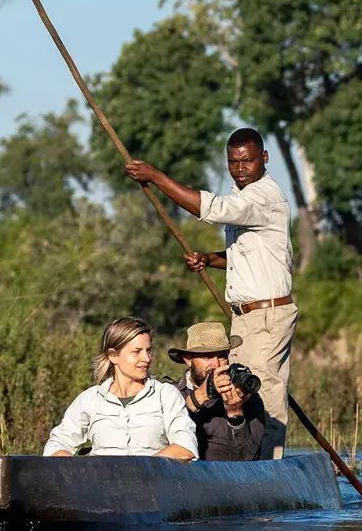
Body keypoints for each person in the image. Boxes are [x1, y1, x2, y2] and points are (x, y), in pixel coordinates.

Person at [123, 127, 296, 459]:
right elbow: (251, 256)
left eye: (247, 161)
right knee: (242, 390)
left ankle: (269, 470)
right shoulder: (247, 198)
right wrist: (209, 259)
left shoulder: (263, 197)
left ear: (264, 159)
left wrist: (156, 177)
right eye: (233, 162)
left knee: (262, 395)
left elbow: (213, 208)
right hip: (246, 315)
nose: (240, 168)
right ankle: (243, 460)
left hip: (266, 315)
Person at [43, 316, 198, 460]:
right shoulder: (91, 399)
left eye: (148, 351)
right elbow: (56, 445)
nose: (146, 358)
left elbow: (186, 448)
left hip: (153, 486)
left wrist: (140, 470)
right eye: (137, 352)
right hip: (101, 487)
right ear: (113, 356)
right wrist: (80, 471)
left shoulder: (165, 395)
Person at [169, 321, 266, 462]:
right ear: (188, 359)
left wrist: (235, 414)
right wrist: (200, 396)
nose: (216, 364)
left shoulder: (246, 397)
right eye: (207, 356)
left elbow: (249, 463)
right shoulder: (169, 394)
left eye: (221, 356)